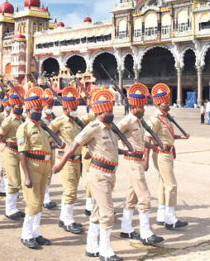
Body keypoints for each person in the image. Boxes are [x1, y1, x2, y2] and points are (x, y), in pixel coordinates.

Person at [54, 88, 123, 261]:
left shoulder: (109, 128)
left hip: (110, 173)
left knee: (98, 211)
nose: (111, 113)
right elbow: (73, 144)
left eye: (111, 110)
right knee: (108, 213)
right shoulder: (92, 127)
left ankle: (91, 246)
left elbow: (110, 149)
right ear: (99, 111)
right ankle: (105, 250)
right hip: (99, 174)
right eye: (108, 111)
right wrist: (61, 163)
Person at [116, 83, 164, 245]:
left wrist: (153, 146)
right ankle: (145, 233)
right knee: (145, 197)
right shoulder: (127, 121)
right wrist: (120, 151)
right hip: (131, 161)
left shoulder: (138, 121)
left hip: (138, 159)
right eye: (142, 107)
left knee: (132, 196)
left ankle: (126, 228)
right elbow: (112, 136)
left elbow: (140, 142)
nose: (144, 109)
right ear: (134, 106)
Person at [146, 83, 190, 230]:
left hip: (167, 152)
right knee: (171, 185)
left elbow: (167, 136)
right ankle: (170, 218)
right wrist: (146, 160)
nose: (168, 103)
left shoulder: (165, 117)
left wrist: (181, 137)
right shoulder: (155, 120)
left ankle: (161, 213)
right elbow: (147, 140)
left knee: (163, 183)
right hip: (161, 154)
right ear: (158, 103)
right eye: (165, 101)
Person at [17, 87, 53, 249]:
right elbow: (22, 153)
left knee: (39, 202)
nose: (40, 112)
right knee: (32, 203)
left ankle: (36, 233)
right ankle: (26, 235)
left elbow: (44, 145)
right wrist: (26, 176)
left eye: (40, 109)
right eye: (36, 109)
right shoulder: (23, 128)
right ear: (28, 110)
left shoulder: (41, 126)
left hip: (44, 166)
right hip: (32, 167)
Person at [48, 86, 84, 235]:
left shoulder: (76, 121)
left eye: (76, 107)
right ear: (66, 108)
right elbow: (47, 137)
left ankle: (64, 218)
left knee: (72, 191)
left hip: (77, 160)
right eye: (73, 108)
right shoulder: (59, 122)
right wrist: (56, 144)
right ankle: (68, 221)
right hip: (66, 160)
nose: (75, 110)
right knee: (69, 190)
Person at [0, 84, 26, 221]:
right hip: (10, 150)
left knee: (17, 180)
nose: (20, 107)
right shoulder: (7, 121)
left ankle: (14, 207)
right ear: (12, 106)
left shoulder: (21, 119)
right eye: (18, 105)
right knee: (13, 180)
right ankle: (9, 209)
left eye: (21, 105)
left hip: (20, 151)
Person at [41, 88, 57, 210]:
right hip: (42, 150)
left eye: (51, 105)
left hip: (52, 149)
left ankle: (46, 195)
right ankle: (43, 197)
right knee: (42, 173)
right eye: (48, 105)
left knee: (49, 173)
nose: (50, 107)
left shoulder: (53, 118)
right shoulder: (40, 119)